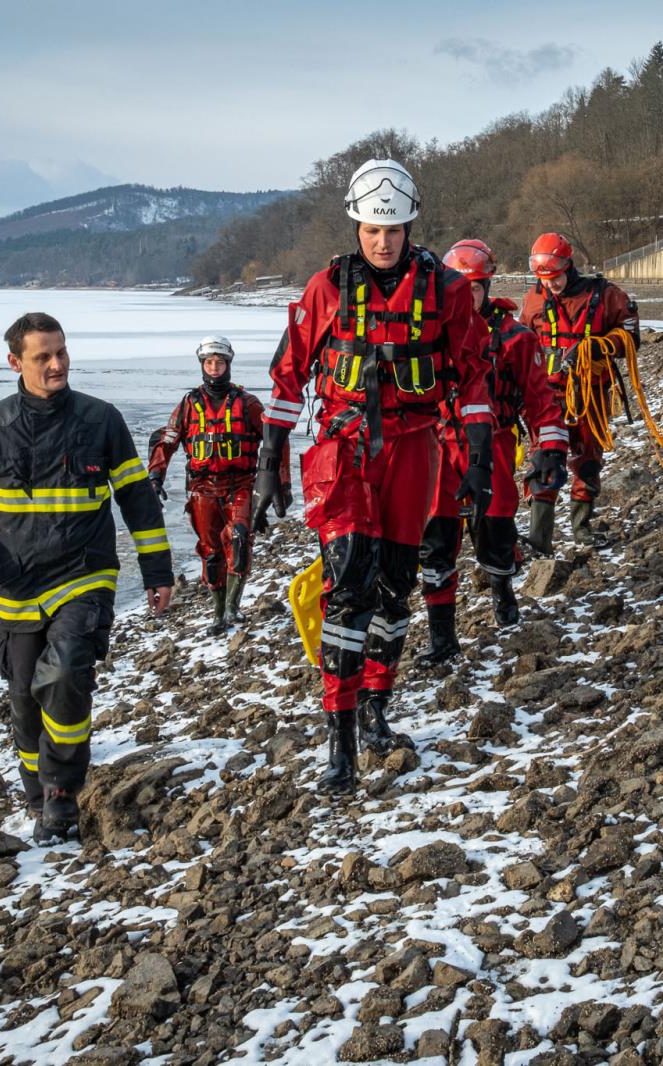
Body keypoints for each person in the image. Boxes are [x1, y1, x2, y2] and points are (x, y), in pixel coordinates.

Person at [252, 159, 493, 795]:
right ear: (356, 226)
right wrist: (268, 467)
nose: (382, 243)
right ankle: (340, 739)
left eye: (393, 231)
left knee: (394, 585)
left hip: (415, 449)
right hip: (343, 449)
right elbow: (287, 377)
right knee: (349, 580)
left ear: (411, 226)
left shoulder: (446, 291)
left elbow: (471, 379)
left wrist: (478, 460)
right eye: (371, 231)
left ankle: (377, 711)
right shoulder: (324, 290)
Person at [0, 312, 174, 843]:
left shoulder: (100, 420)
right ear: (15, 362)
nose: (57, 364)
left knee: (66, 674)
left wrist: (157, 570)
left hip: (84, 576)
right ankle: (37, 794)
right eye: (43, 356)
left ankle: (63, 797)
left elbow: (136, 497)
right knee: (25, 702)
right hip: (16, 588)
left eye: (61, 352)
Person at [418, 238, 568, 663]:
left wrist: (551, 448)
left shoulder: (516, 340)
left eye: (474, 290)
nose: (465, 300)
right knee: (436, 543)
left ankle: (502, 592)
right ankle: (442, 638)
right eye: (457, 291)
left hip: (496, 444)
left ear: (487, 287)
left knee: (495, 536)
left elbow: (541, 400)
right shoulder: (428, 337)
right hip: (438, 447)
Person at [147, 335, 283, 636]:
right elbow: (167, 440)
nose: (214, 368)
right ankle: (218, 612)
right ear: (202, 365)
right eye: (209, 362)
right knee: (211, 553)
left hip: (241, 485)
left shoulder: (248, 404)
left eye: (219, 362)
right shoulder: (188, 404)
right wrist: (155, 476)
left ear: (228, 364)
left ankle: (234, 607)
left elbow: (275, 441)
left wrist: (278, 483)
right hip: (202, 489)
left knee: (240, 541)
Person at [519, 232, 641, 550]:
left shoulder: (604, 294)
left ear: (568, 266)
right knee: (544, 460)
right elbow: (521, 345)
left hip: (591, 396)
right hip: (547, 399)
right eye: (544, 279)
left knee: (587, 461)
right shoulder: (533, 301)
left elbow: (630, 333)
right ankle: (539, 538)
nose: (551, 284)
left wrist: (598, 346)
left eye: (555, 277)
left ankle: (581, 526)